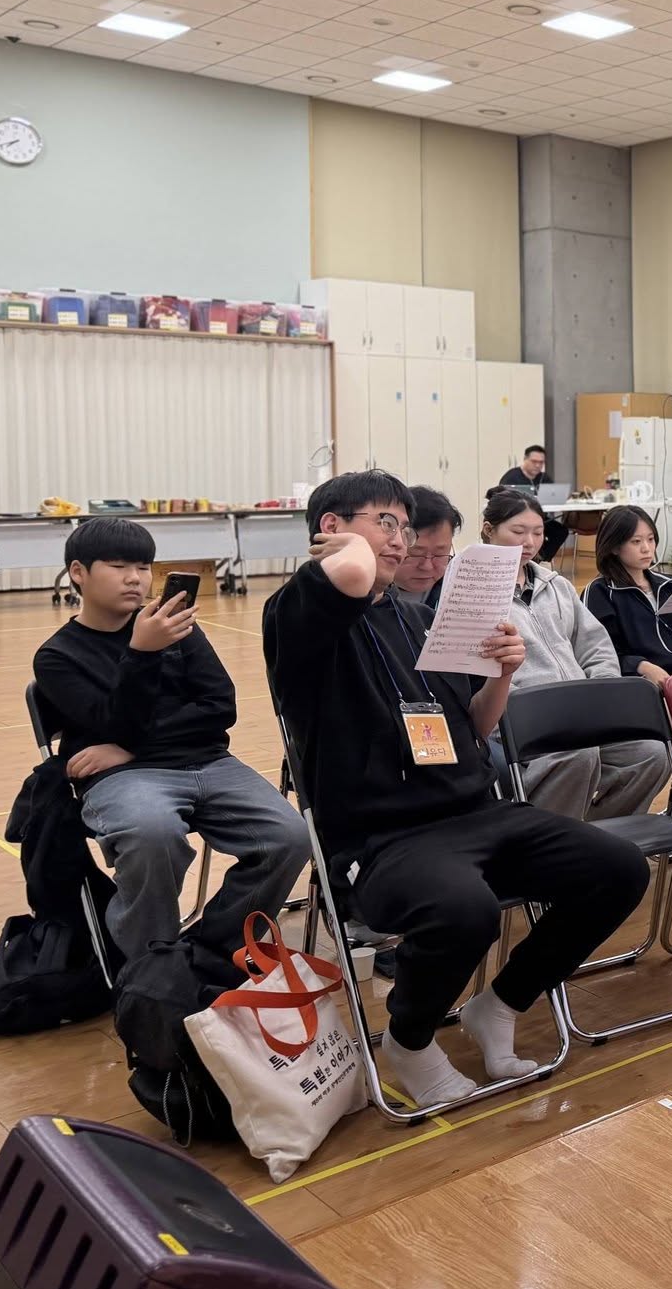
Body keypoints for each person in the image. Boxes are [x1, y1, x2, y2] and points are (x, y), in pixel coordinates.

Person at [263, 470, 648, 1106]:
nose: (400, 540)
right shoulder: (297, 613)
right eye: (385, 523)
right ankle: (409, 1040)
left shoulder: (420, 618)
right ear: (331, 529)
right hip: (380, 839)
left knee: (619, 868)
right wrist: (349, 547)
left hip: (474, 812)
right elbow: (352, 573)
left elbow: (474, 726)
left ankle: (500, 1004)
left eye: (404, 526)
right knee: (464, 911)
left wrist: (502, 675)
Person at [32, 518, 307, 959]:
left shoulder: (176, 626)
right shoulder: (57, 656)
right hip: (126, 779)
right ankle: (151, 962)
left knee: (290, 836)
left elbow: (220, 707)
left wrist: (126, 747)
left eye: (143, 567)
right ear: (78, 572)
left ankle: (214, 950)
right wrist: (141, 653)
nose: (135, 579)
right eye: (118, 566)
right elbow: (110, 720)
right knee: (152, 834)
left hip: (207, 761)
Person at [480, 490, 672, 821]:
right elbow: (477, 676)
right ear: (488, 530)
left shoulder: (557, 586)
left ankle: (592, 835)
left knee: (652, 755)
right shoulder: (475, 591)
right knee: (580, 755)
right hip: (526, 719)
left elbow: (596, 645)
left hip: (581, 713)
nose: (530, 542)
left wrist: (601, 692)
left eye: (538, 533)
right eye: (518, 531)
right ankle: (549, 839)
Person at [586, 503, 672, 680]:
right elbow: (599, 654)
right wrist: (641, 666)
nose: (646, 548)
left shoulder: (670, 584)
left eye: (651, 539)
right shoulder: (600, 592)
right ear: (614, 547)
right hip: (644, 686)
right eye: (636, 541)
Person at [391, 486, 461, 608]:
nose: (427, 567)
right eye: (416, 554)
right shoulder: (363, 596)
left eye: (439, 554)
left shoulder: (461, 591)